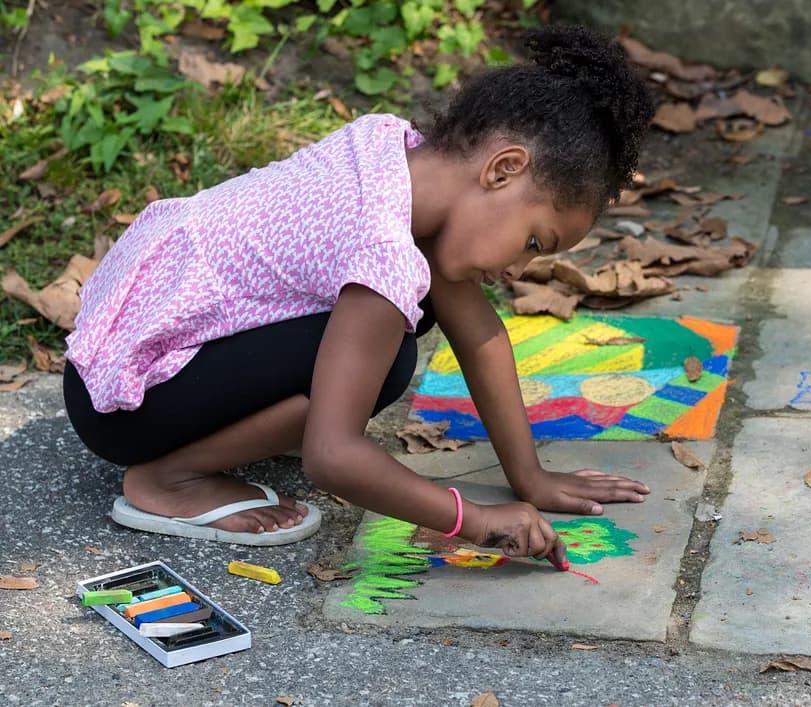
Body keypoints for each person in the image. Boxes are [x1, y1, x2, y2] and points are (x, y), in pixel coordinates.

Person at [62, 24, 655, 563]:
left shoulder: (389, 150)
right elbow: (334, 459)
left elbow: (479, 337)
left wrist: (530, 477)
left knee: (400, 324)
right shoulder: (383, 245)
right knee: (388, 355)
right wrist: (475, 520)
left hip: (126, 347)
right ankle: (170, 479)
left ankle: (230, 433)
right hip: (126, 403)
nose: (520, 267)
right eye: (532, 240)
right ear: (502, 169)